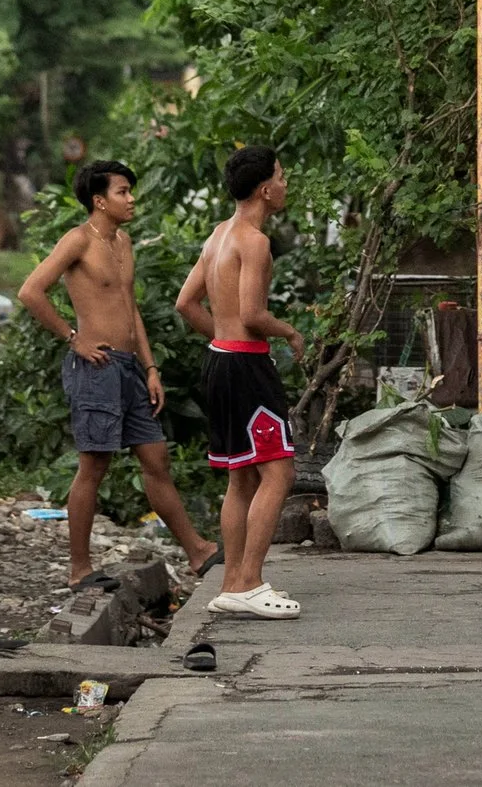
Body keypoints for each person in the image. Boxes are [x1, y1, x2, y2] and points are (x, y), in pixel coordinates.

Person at [17, 159, 221, 590]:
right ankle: (79, 569)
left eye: (130, 191)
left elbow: (131, 309)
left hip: (129, 368)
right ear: (99, 200)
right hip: (96, 366)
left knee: (156, 458)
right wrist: (74, 338)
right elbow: (31, 291)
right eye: (122, 192)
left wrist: (149, 367)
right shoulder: (77, 242)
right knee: (94, 463)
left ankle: (199, 552)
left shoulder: (123, 242)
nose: (131, 200)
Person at [176, 145, 306, 620]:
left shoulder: (217, 236)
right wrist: (289, 331)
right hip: (247, 368)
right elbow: (253, 314)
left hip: (218, 363)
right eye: (282, 176)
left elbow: (186, 303)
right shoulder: (254, 242)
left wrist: (223, 339)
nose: (286, 184)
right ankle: (249, 582)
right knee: (279, 472)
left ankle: (232, 582)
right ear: (265, 189)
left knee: (241, 474)